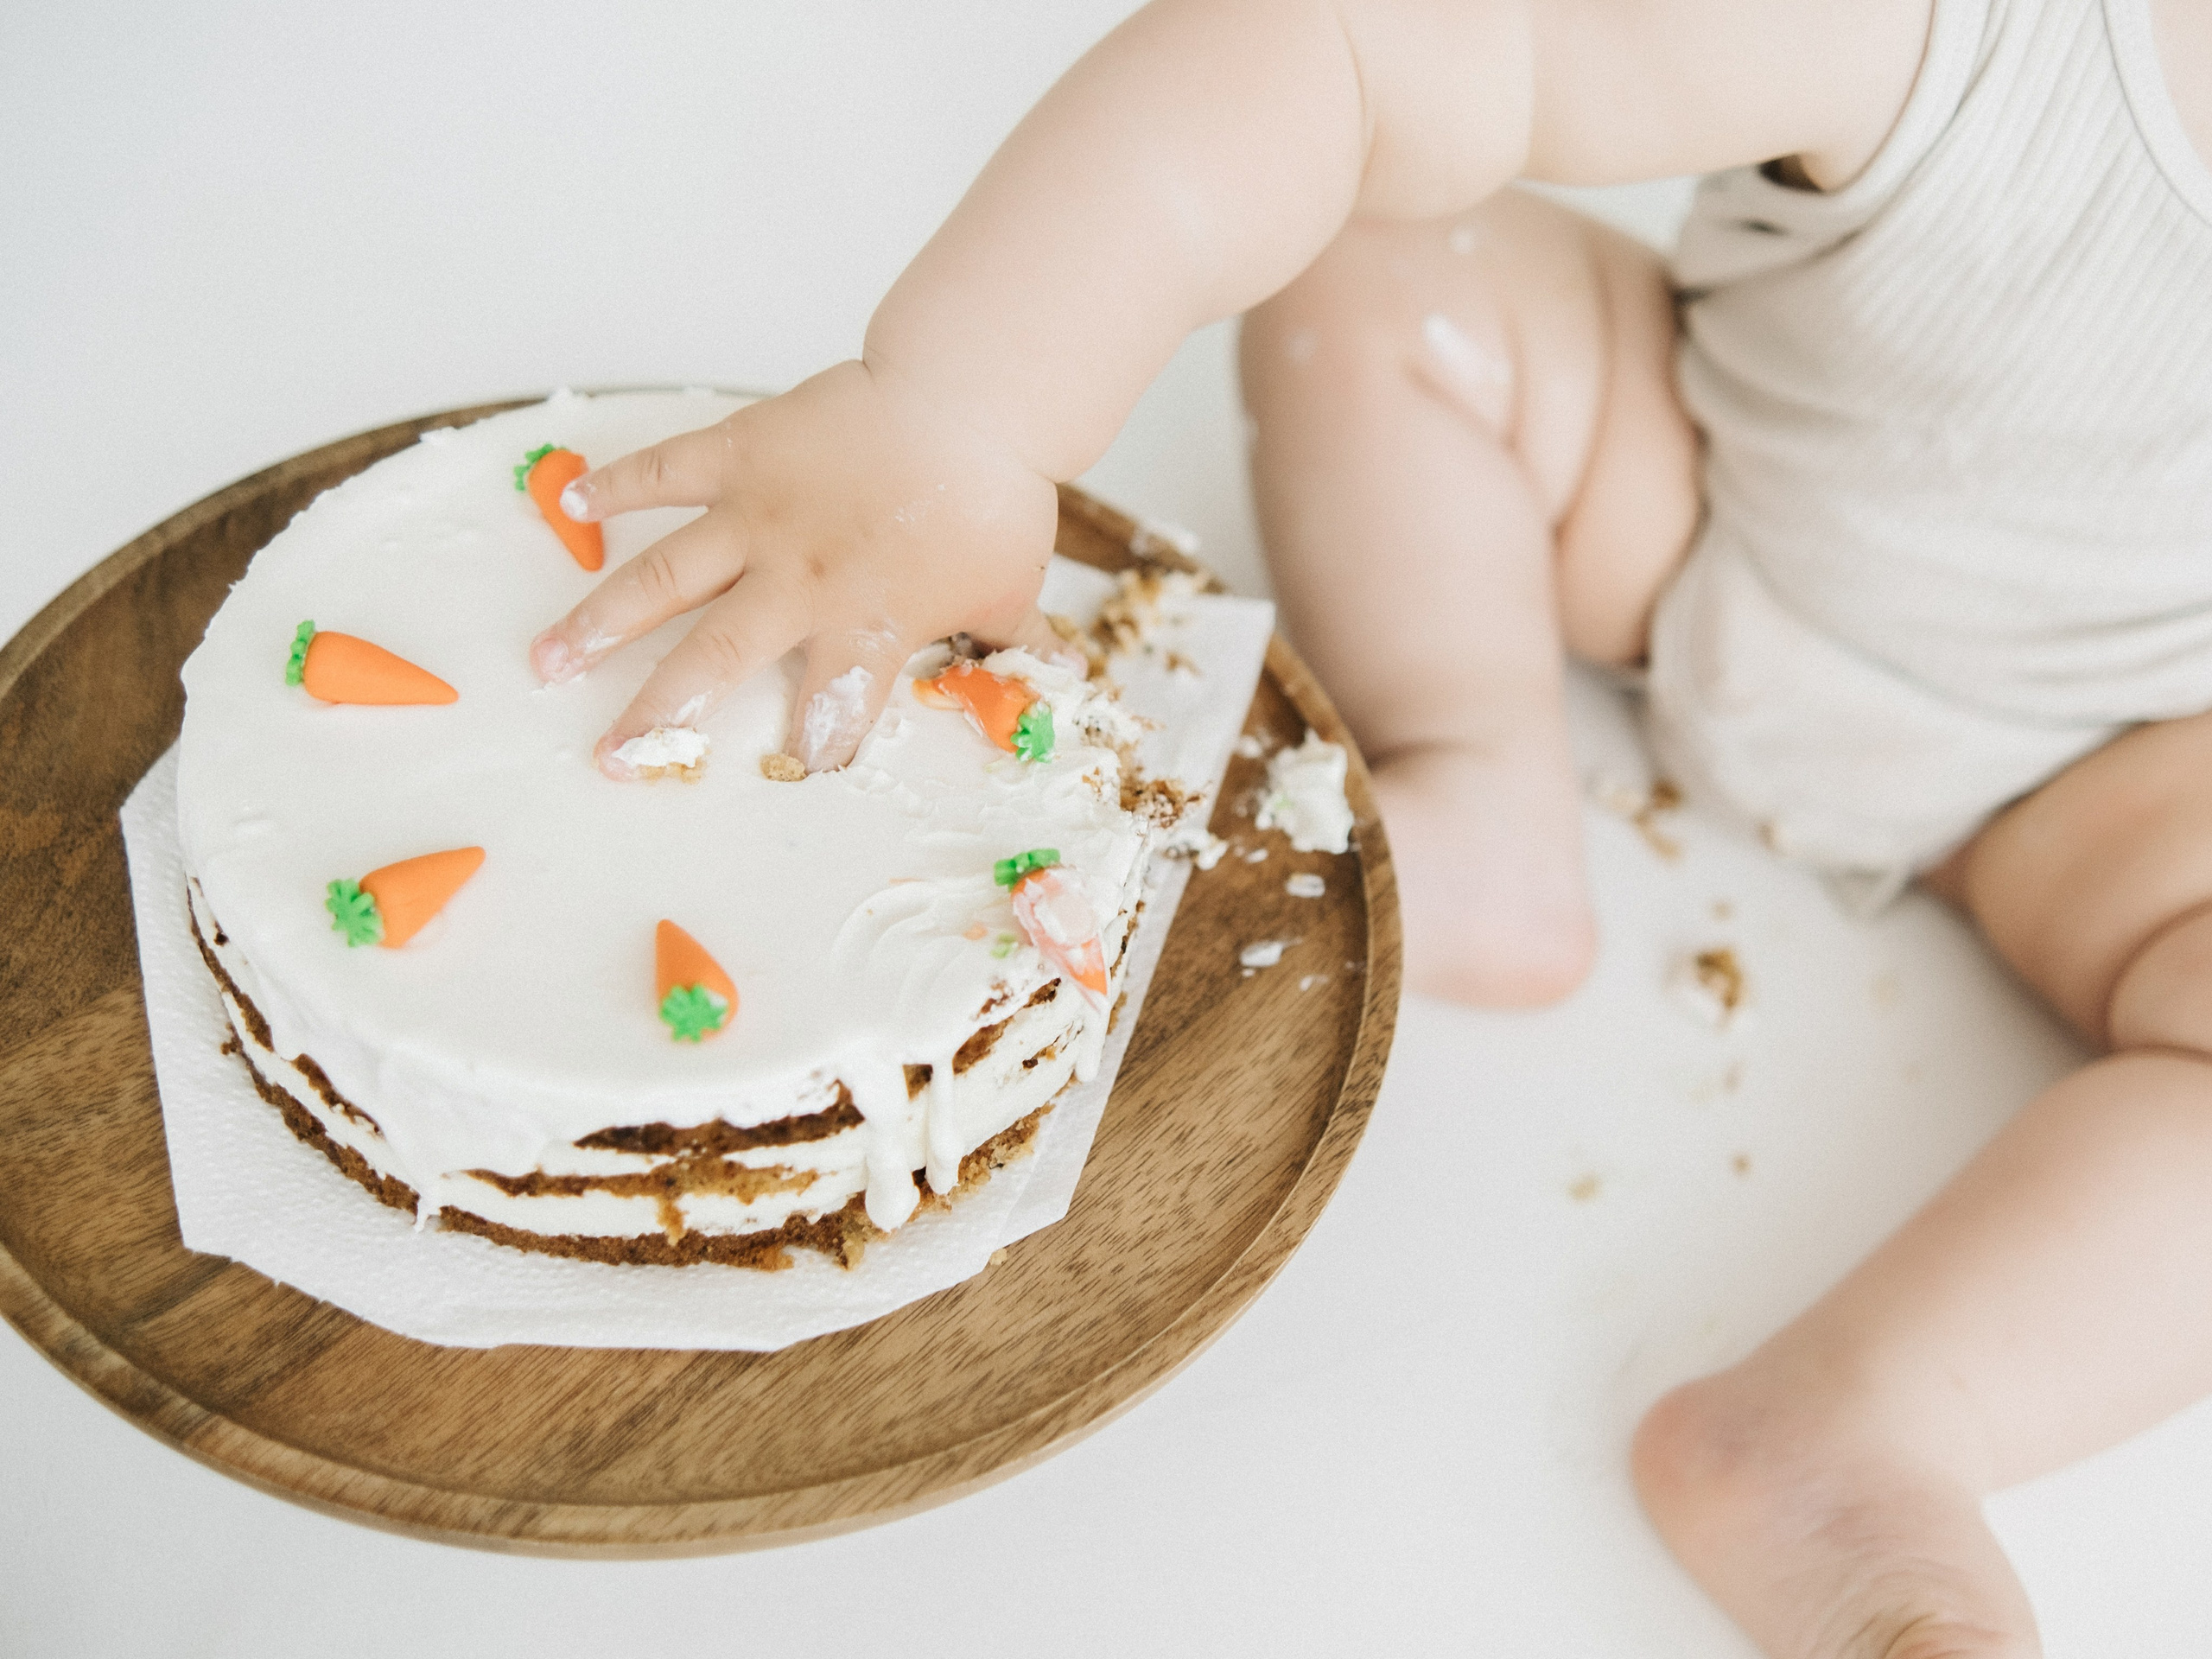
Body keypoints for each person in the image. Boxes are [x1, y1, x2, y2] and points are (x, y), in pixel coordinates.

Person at [525, 2, 2212, 1652]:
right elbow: (1342, 48)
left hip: (2126, 771)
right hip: (1694, 513)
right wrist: (964, 408)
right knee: (1387, 258)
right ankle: (1472, 768)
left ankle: (1864, 1429)